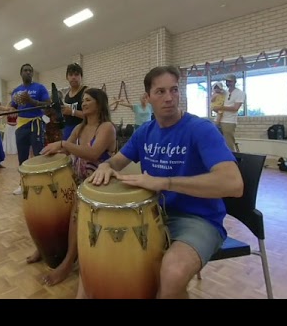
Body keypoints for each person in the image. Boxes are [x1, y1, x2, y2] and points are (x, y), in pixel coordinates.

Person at [85, 66, 243, 299]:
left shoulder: (201, 129)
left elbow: (233, 184)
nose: (169, 97)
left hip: (199, 220)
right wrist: (105, 165)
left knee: (172, 272)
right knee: (98, 251)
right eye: (160, 92)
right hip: (153, 214)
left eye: (174, 90)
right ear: (147, 98)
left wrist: (165, 182)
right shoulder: (145, 132)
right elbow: (116, 161)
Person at [33, 88, 116, 286]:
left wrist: (64, 144)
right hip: (80, 182)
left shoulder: (106, 127)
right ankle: (48, 248)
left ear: (99, 103)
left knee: (76, 207)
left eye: (88, 100)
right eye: (83, 100)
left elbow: (93, 153)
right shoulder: (79, 128)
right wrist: (49, 153)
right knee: (56, 203)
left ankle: (68, 262)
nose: (83, 103)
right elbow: (65, 148)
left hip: (100, 184)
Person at [10, 64, 51, 195]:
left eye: (30, 71)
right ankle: (23, 184)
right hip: (21, 124)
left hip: (36, 123)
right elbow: (13, 106)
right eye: (25, 71)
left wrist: (31, 100)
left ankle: (41, 183)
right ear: (21, 73)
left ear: (32, 74)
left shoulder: (39, 87)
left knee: (39, 154)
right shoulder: (16, 90)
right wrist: (11, 109)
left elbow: (47, 104)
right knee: (22, 156)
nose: (28, 72)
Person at [213, 74, 245, 152]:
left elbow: (235, 108)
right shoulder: (224, 92)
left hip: (229, 122)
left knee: (228, 143)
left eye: (230, 81)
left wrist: (220, 108)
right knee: (216, 141)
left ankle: (231, 160)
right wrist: (215, 108)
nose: (228, 83)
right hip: (218, 120)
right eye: (227, 81)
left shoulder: (240, 93)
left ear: (235, 82)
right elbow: (218, 103)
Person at [61, 63, 87, 141]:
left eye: (76, 75)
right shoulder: (66, 95)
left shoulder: (86, 92)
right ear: (67, 77)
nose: (73, 77)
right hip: (68, 129)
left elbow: (92, 116)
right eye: (71, 75)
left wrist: (72, 112)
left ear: (81, 77)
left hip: (83, 129)